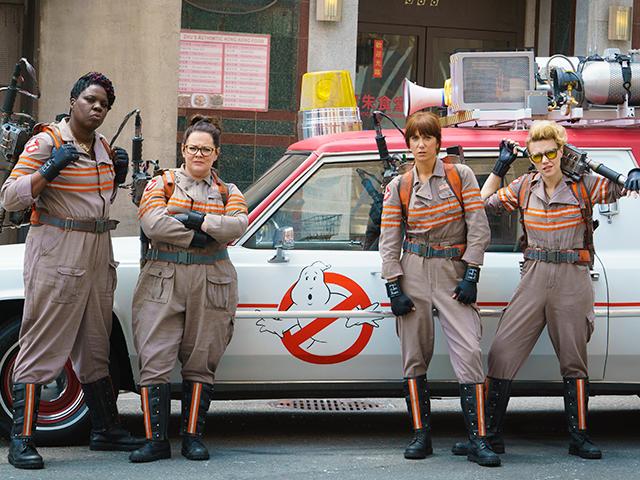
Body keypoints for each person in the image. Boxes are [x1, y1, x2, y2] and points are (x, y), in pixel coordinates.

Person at [0, 72, 140, 469]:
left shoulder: (101, 146)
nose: (97, 108)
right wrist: (48, 169)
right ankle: (22, 440)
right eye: (90, 100)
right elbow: (9, 196)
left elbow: (99, 198)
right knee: (42, 340)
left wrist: (118, 175)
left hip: (98, 248)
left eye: (104, 104)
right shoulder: (47, 141)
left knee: (96, 342)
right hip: (58, 248)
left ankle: (105, 429)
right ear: (73, 100)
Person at [476, 120, 640, 459]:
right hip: (534, 274)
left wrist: (635, 173)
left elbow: (623, 187)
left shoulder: (584, 185)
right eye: (537, 155)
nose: (545, 160)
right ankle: (489, 434)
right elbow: (482, 203)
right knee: (502, 351)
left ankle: (579, 436)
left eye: (550, 153)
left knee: (574, 358)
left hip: (572, 276)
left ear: (561, 151)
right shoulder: (524, 186)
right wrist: (500, 167)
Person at [379, 111, 500, 467]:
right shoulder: (399, 186)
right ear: (408, 143)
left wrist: (472, 273)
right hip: (414, 269)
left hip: (452, 270)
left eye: (427, 138)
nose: (421, 145)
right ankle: (421, 435)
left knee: (469, 351)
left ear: (437, 142)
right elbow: (390, 238)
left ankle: (478, 439)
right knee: (413, 354)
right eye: (415, 138)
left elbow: (478, 227)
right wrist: (393, 286)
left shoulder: (460, 175)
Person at [129, 116, 248, 463]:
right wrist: (201, 236)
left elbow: (238, 225)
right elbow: (153, 222)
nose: (199, 154)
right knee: (154, 356)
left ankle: (193, 438)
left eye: (206, 150)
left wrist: (194, 219)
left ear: (216, 154)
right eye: (193, 148)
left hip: (212, 279)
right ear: (183, 149)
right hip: (163, 277)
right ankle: (155, 441)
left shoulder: (229, 191)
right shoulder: (161, 183)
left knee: (202, 359)